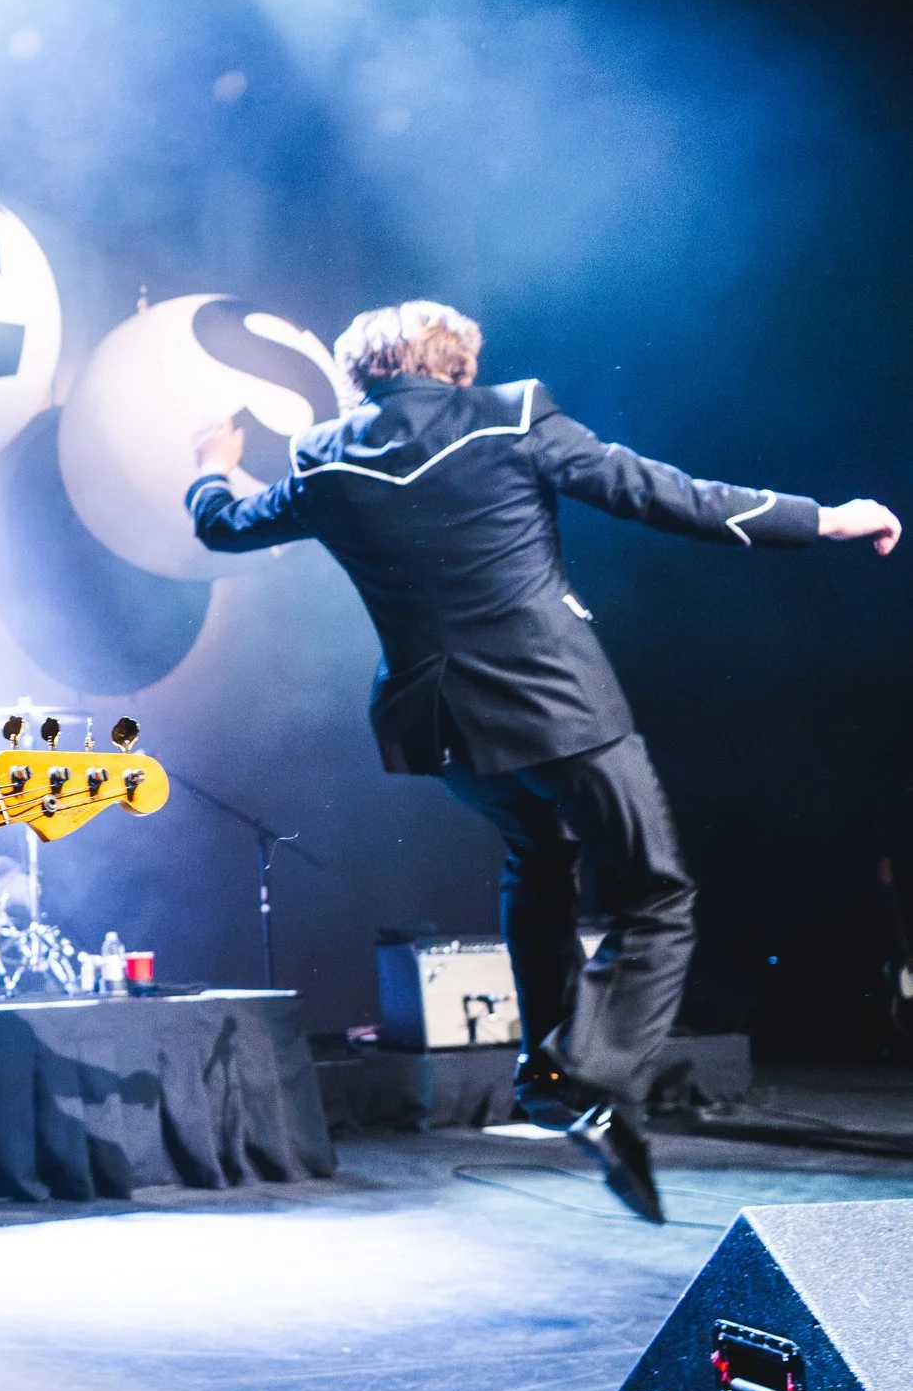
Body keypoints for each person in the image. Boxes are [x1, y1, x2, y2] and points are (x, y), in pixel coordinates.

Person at [187, 301, 898, 1221]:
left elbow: (226, 525)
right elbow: (661, 492)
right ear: (458, 364)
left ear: (365, 372)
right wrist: (822, 519)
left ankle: (548, 1074)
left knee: (539, 854)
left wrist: (211, 467)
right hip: (555, 701)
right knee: (657, 893)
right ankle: (588, 1078)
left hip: (444, 725)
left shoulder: (323, 459)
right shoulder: (513, 413)